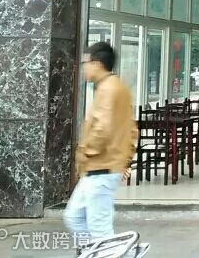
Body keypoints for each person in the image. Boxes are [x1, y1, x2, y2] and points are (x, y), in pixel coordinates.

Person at [64, 42, 138, 251]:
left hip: (101, 167)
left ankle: (115, 254)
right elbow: (132, 130)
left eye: (85, 63)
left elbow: (102, 128)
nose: (84, 68)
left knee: (99, 230)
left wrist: (86, 153)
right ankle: (93, 253)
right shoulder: (115, 87)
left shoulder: (109, 89)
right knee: (74, 216)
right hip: (100, 168)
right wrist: (124, 159)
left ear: (97, 64)